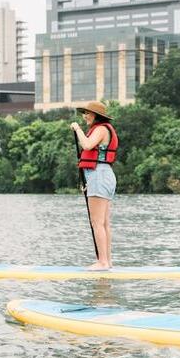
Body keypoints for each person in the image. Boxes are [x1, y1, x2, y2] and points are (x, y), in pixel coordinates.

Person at [70, 101, 118, 271]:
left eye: (88, 113)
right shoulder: (104, 129)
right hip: (102, 175)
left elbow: (87, 145)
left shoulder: (100, 129)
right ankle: (107, 261)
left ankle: (103, 262)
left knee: (97, 223)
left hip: (100, 175)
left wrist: (77, 129)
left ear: (96, 115)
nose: (85, 116)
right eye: (84, 113)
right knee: (103, 223)